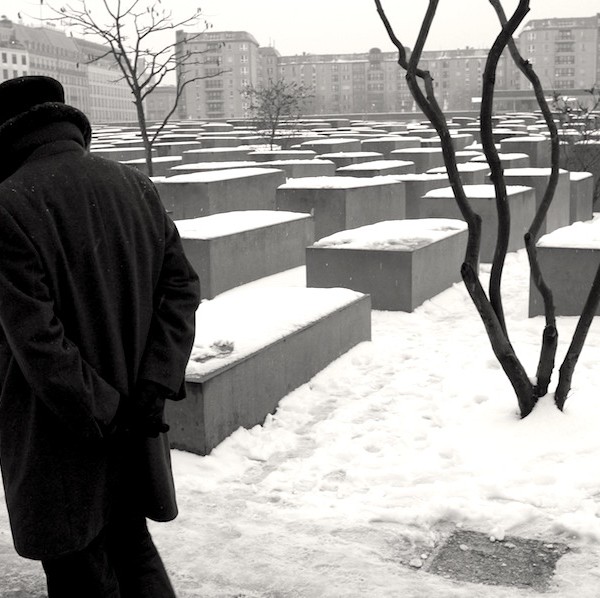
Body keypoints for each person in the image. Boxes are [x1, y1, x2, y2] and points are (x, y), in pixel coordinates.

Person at [0, 76, 200, 597]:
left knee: (79, 573)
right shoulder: (135, 185)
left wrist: (107, 411)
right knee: (134, 552)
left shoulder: (7, 204)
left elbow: (37, 341)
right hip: (135, 423)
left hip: (59, 438)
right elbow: (180, 290)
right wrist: (151, 388)